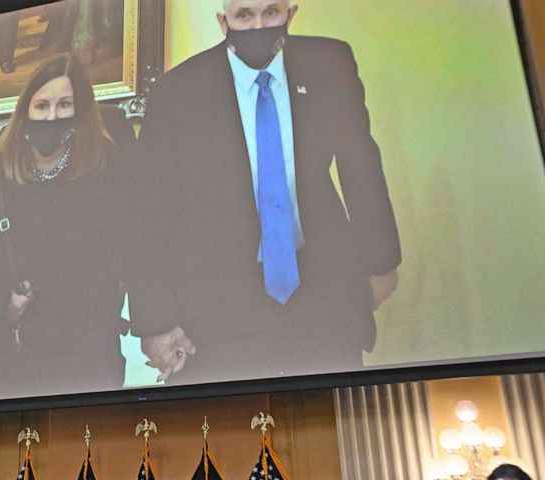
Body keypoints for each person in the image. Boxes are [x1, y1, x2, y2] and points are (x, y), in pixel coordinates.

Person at [129, 0, 401, 383]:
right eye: (244, 16)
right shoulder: (178, 92)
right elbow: (148, 210)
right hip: (218, 304)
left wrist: (381, 261)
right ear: (223, 22)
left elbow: (362, 165)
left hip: (323, 291)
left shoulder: (330, 63)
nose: (258, 25)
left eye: (270, 12)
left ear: (291, 14)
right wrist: (155, 322)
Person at [0, 53, 128, 391]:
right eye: (42, 106)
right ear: (26, 111)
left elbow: (127, 247)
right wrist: (2, 311)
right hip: (15, 351)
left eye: (65, 105)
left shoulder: (105, 167)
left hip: (89, 352)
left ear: (80, 110)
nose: (52, 116)